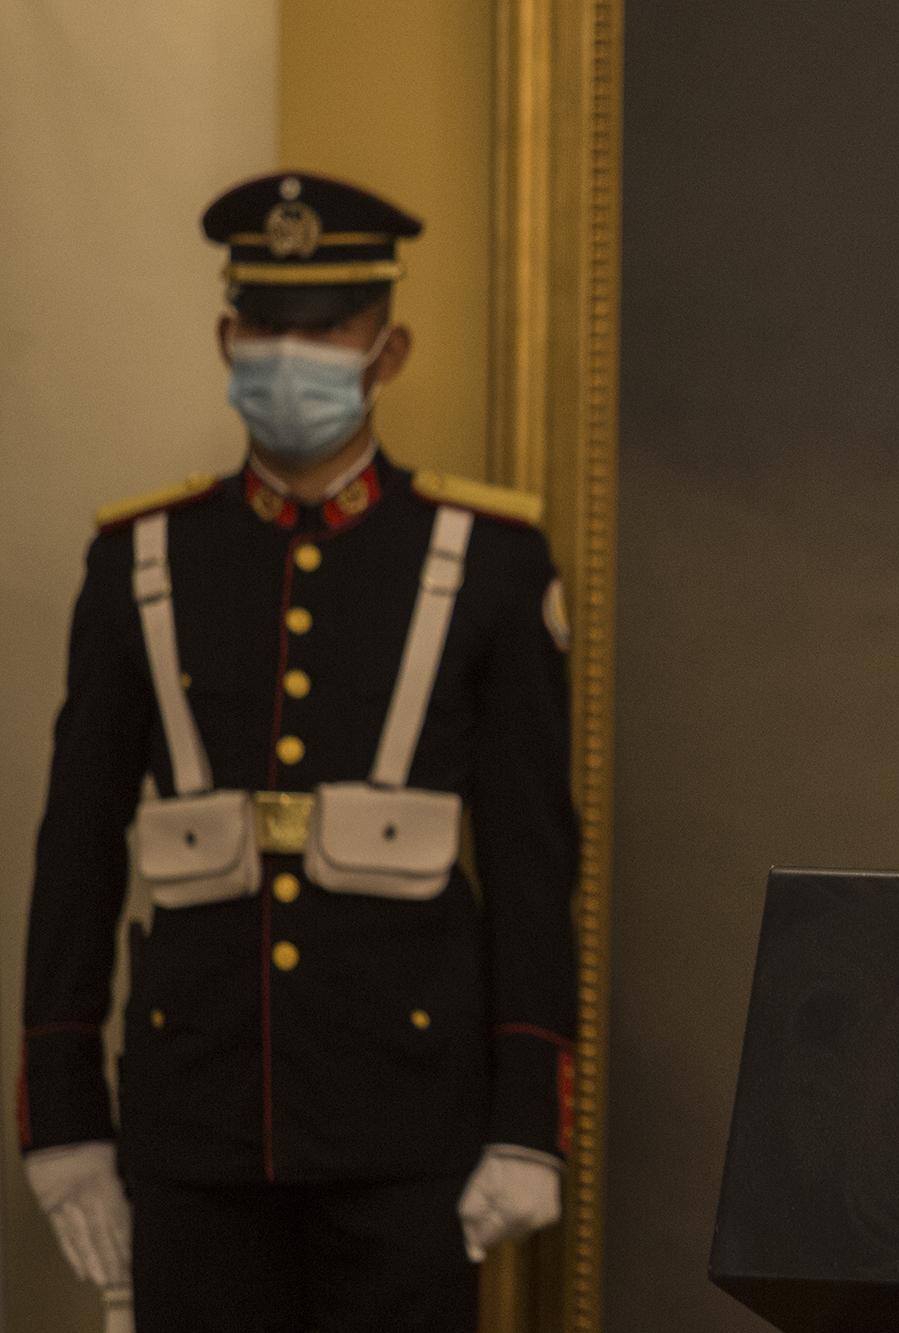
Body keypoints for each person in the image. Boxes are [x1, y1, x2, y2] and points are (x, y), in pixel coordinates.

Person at [16, 172, 578, 1331]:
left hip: (410, 1130)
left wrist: (531, 1119)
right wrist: (63, 1111)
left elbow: (532, 860)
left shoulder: (491, 561)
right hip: (194, 1125)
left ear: (389, 346)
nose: (292, 353)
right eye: (267, 324)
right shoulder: (139, 561)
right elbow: (75, 849)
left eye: (326, 328)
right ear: (227, 336)